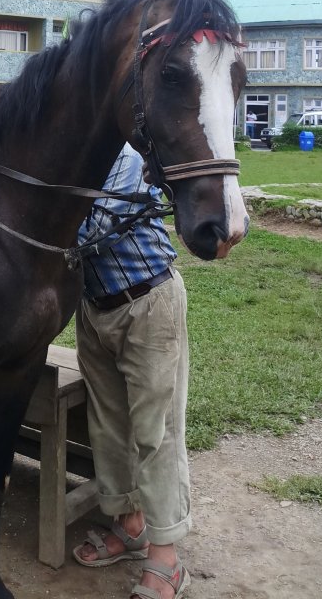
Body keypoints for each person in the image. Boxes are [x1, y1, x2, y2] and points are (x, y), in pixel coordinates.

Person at [73, 143, 191, 599]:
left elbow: (93, 229)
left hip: (147, 302)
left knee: (156, 431)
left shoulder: (124, 157)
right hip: (95, 307)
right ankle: (131, 525)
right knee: (108, 426)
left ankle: (167, 560)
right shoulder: (72, 152)